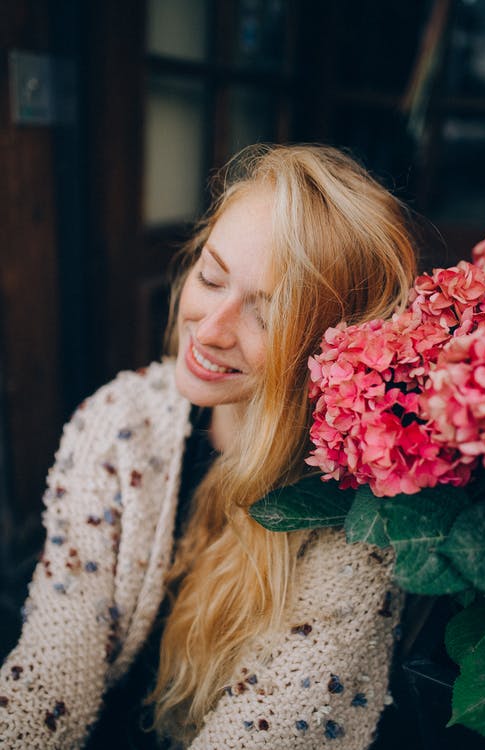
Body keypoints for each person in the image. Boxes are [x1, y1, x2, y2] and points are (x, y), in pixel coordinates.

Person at [0, 144, 417, 749]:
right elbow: (53, 663)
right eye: (211, 277)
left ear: (337, 351)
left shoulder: (355, 519)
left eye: (268, 318)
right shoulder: (125, 422)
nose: (210, 329)